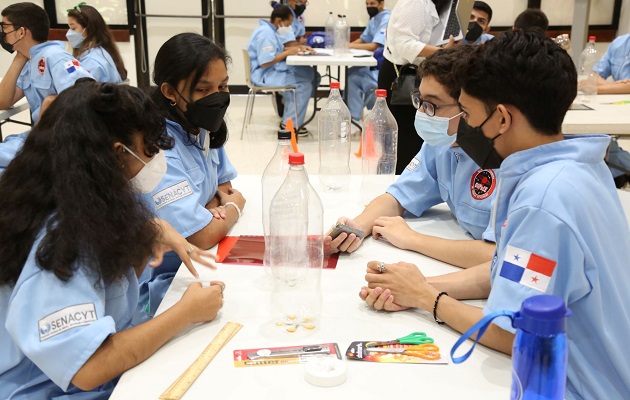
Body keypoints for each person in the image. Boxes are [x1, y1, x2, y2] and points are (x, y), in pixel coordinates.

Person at [362, 31, 630, 400]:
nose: (465, 129)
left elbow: (515, 334)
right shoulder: (579, 167)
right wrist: (417, 287)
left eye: (469, 114)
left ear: (502, 118)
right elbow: (508, 272)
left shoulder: (542, 202)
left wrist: (429, 300)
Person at [0, 79, 225, 399]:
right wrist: (187, 312)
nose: (156, 158)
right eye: (149, 148)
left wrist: (140, 240)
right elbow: (88, 367)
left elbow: (107, 302)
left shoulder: (72, 195)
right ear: (118, 154)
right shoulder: (62, 240)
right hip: (45, 388)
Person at [329, 45, 497, 269]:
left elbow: (501, 257)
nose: (421, 113)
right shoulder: (440, 145)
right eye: (420, 101)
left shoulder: (503, 159)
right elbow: (399, 196)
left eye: (433, 105)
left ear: (468, 106)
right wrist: (358, 226)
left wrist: (413, 240)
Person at [139, 33, 246, 318]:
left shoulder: (200, 125)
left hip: (206, 262)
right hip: (168, 281)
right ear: (170, 92)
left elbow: (223, 184)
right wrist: (235, 206)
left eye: (222, 86)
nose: (217, 97)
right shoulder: (157, 146)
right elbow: (201, 235)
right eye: (203, 89)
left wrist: (212, 208)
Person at [379, 0, 454, 174]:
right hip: (401, 77)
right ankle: (400, 183)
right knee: (404, 137)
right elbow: (404, 44)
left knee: (410, 136)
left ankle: (409, 180)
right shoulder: (415, 2)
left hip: (410, 72)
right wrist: (441, 52)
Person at [0, 2, 92, 122]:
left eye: (5, 26)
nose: (2, 33)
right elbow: (2, 102)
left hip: (60, 135)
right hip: (43, 133)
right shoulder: (30, 61)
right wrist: (19, 59)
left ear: (21, 32)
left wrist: (49, 103)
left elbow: (86, 96)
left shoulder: (55, 57)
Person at [248, 5, 318, 133]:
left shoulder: (270, 30)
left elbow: (275, 50)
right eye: (288, 24)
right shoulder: (265, 33)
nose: (288, 28)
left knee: (312, 74)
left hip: (270, 70)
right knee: (304, 84)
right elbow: (266, 61)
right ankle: (289, 125)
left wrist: (297, 48)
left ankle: (290, 108)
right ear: (279, 21)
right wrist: (288, 52)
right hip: (264, 74)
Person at [347, 0, 391, 128]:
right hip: (372, 64)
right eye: (367, 4)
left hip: (381, 67)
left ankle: (355, 120)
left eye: (372, 4)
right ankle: (354, 117)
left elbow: (374, 45)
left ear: (381, 3)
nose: (369, 7)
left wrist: (348, 45)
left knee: (353, 78)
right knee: (351, 72)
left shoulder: (386, 18)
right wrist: (348, 45)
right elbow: (363, 38)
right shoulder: (374, 19)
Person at [66, 2, 127, 83]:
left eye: (73, 28)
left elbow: (82, 93)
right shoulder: (102, 51)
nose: (69, 33)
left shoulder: (91, 62)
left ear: (89, 28)